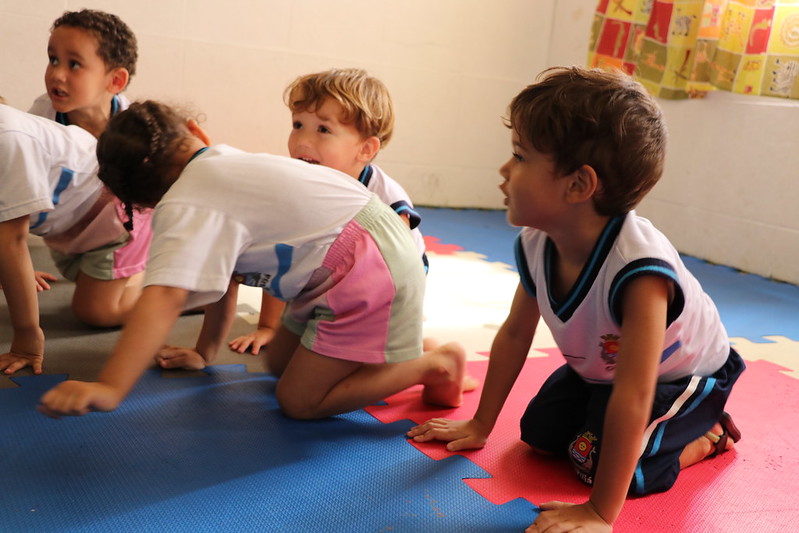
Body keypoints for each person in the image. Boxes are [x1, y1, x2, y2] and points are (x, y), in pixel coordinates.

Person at [407, 67, 745, 532]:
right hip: (603, 372)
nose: (505, 170)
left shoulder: (638, 271)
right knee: (539, 437)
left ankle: (708, 432)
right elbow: (514, 333)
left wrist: (600, 512)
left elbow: (636, 390)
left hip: (680, 377)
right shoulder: (537, 242)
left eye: (520, 157)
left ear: (578, 186)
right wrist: (481, 424)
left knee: (609, 470)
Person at [37, 100, 473, 420]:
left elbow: (165, 296)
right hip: (346, 265)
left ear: (141, 201)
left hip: (365, 269)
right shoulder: (219, 162)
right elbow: (224, 277)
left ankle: (433, 363)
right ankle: (399, 351)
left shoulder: (185, 205)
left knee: (299, 402)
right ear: (195, 132)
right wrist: (204, 353)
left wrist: (110, 386)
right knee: (278, 365)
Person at [229, 68, 428, 355]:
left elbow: (398, 268)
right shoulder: (297, 185)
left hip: (388, 288)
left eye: (323, 129)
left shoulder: (385, 196)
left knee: (357, 360)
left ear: (365, 149)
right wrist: (269, 327)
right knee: (284, 360)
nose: (302, 141)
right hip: (329, 277)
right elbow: (280, 257)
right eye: (298, 125)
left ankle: (430, 360)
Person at [0, 104, 150, 374]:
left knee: (95, 311)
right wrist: (12, 268)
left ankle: (186, 293)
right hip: (68, 233)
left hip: (116, 221)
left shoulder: (8, 137)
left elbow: (11, 240)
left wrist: (26, 336)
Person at [29, 9, 137, 139]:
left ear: (115, 81)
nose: (56, 75)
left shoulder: (137, 131)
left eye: (74, 64)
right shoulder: (39, 117)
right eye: (54, 60)